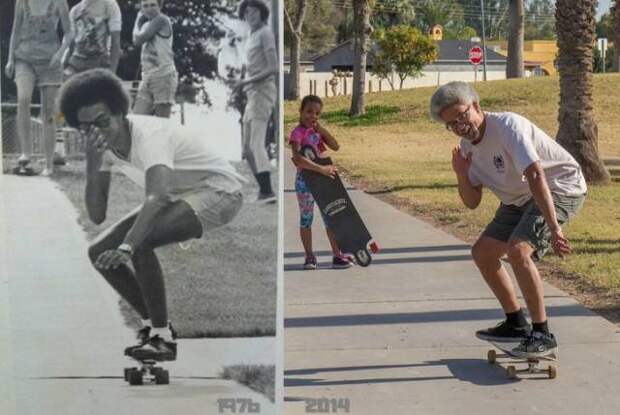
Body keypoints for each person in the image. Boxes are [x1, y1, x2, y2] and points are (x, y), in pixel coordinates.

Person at [58, 69, 246, 360]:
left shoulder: (150, 136)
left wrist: (127, 246)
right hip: (181, 194)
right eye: (86, 128)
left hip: (220, 191)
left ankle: (162, 339)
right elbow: (96, 214)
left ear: (121, 113)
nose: (96, 132)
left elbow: (156, 197)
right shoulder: (101, 147)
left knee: (140, 243)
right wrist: (92, 161)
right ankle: (154, 326)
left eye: (102, 122)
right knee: (98, 251)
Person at [430, 81, 587, 358]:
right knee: (482, 253)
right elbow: (472, 203)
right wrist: (461, 174)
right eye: (451, 124)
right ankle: (516, 324)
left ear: (476, 105)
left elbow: (537, 175)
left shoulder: (508, 127)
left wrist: (554, 227)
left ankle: (542, 334)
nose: (460, 126)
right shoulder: (465, 149)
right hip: (518, 199)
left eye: (462, 115)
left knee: (518, 251)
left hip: (559, 187)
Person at [5, 0, 72, 176]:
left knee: (49, 111)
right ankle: (25, 152)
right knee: (23, 99)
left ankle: (49, 163)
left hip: (50, 60)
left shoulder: (59, 3)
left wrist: (60, 54)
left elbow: (69, 33)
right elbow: (16, 30)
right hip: (24, 58)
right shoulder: (21, 2)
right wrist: (10, 58)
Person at [289, 95, 353, 270]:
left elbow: (335, 146)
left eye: (317, 113)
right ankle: (309, 256)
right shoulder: (297, 134)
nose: (313, 116)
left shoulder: (317, 132)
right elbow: (298, 159)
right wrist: (321, 169)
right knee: (306, 219)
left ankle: (337, 255)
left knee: (331, 217)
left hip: (323, 181)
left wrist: (322, 130)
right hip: (306, 181)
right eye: (309, 111)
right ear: (301, 111)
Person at [236, 0, 277, 203]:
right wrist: (244, 81)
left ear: (262, 13)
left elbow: (272, 68)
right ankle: (264, 191)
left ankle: (268, 191)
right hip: (251, 93)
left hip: (263, 92)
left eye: (253, 11)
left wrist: (247, 80)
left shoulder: (265, 33)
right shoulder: (251, 36)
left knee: (256, 143)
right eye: (246, 13)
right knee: (246, 148)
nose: (250, 15)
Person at [132, 0, 178, 118]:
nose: (149, 9)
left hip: (163, 76)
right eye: (145, 6)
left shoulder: (161, 20)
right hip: (147, 76)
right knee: (138, 119)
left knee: (162, 122)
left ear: (160, 6)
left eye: (153, 5)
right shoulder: (147, 25)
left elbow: (138, 40)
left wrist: (137, 20)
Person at [64, 0, 122, 77]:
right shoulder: (75, 10)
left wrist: (112, 73)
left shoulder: (110, 5)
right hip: (76, 64)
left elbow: (116, 42)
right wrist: (63, 65)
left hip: (100, 64)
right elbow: (70, 45)